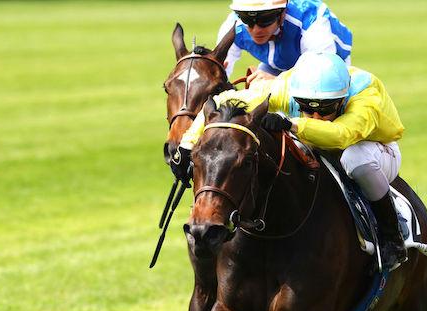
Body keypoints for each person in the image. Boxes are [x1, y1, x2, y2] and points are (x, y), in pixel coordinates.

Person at [172, 52, 407, 271]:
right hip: (316, 140)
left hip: (373, 147)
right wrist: (187, 143)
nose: (316, 116)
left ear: (342, 99)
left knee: (355, 160)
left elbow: (341, 135)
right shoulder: (286, 87)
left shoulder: (366, 98)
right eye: (306, 108)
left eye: (326, 108)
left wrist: (292, 123)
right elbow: (220, 101)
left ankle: (392, 236)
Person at [217, 0, 352, 86]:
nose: (256, 30)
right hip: (276, 65)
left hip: (330, 67)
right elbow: (218, 74)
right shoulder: (233, 26)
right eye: (247, 20)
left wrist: (278, 82)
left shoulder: (311, 20)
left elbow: (321, 75)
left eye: (265, 20)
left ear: (282, 14)